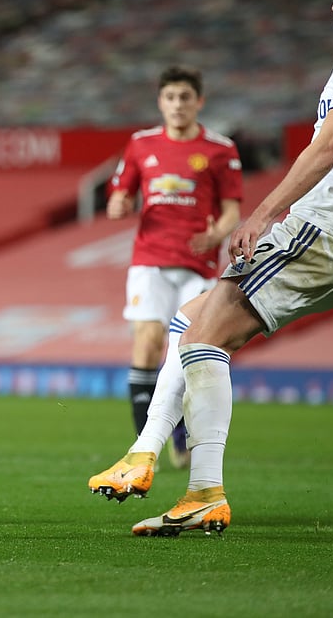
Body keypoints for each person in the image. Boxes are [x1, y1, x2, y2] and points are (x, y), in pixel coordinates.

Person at [87, 0, 333, 536]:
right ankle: (147, 454)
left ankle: (201, 489)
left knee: (201, 338)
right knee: (192, 323)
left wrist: (265, 213)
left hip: (320, 231)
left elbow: (328, 146)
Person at [100, 66, 242, 471]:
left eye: (185, 97)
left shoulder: (220, 149)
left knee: (187, 354)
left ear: (199, 101)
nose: (178, 105)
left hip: (198, 263)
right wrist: (117, 205)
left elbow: (232, 210)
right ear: (160, 102)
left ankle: (178, 438)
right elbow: (119, 194)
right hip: (150, 259)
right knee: (147, 341)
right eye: (170, 97)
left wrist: (216, 235)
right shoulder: (140, 145)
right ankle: (144, 445)